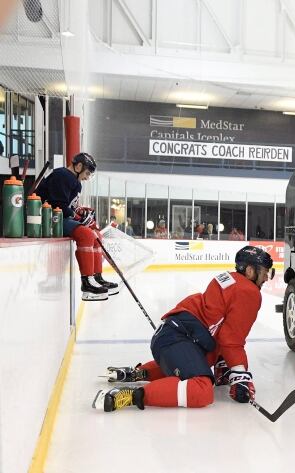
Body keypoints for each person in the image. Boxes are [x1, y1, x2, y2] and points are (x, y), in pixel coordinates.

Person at [92, 246, 275, 412]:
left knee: (191, 365)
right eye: (265, 272)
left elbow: (218, 327)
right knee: (202, 390)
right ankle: (128, 395)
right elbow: (230, 339)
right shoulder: (249, 292)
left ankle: (134, 373)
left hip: (172, 335)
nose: (267, 277)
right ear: (250, 271)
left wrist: (225, 364)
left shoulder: (229, 279)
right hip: (179, 338)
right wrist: (240, 374)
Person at [35, 152, 119, 301]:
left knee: (96, 235)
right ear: (78, 166)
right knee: (86, 234)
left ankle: (96, 278)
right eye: (87, 173)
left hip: (57, 216)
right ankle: (86, 284)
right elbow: (58, 205)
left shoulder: (75, 182)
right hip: (47, 217)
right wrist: (78, 218)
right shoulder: (62, 175)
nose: (87, 177)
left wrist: (80, 212)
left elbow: (67, 206)